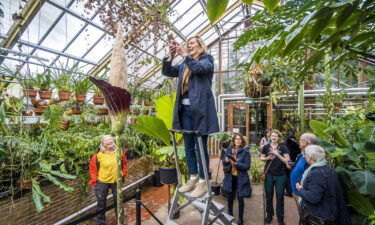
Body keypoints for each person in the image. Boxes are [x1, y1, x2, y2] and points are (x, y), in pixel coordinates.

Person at [162, 35, 219, 198]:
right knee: (188, 146)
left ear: (200, 45)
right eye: (187, 44)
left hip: (200, 111)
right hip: (185, 110)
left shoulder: (207, 59)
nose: (189, 45)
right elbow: (167, 71)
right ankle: (193, 178)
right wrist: (170, 57)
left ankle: (203, 181)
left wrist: (183, 55)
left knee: (200, 146)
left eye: (192, 43)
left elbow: (199, 69)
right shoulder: (183, 65)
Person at [296, 145, 351, 225]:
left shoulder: (316, 173)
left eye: (306, 155)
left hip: (319, 216)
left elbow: (313, 198)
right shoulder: (328, 168)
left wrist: (300, 189)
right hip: (329, 212)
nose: (305, 157)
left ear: (309, 157)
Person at [88, 135, 128, 225]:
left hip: (116, 182)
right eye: (106, 141)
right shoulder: (98, 155)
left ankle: (120, 221)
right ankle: (100, 222)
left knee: (119, 202)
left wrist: (123, 173)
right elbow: (91, 168)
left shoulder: (119, 152)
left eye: (110, 139)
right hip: (102, 182)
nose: (109, 141)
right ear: (103, 144)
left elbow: (124, 164)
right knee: (101, 203)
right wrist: (96, 179)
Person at [260, 129, 291, 225]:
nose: (273, 137)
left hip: (281, 175)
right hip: (269, 174)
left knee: (280, 196)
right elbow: (262, 158)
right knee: (269, 196)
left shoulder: (283, 148)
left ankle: (280, 218)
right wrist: (268, 158)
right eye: (272, 136)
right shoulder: (266, 147)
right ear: (270, 137)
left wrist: (277, 154)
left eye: (275, 136)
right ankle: (269, 215)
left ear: (279, 138)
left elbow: (287, 160)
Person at [222, 133, 251, 225]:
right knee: (230, 197)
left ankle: (240, 218)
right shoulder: (229, 150)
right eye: (236, 139)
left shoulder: (245, 152)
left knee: (240, 198)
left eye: (240, 139)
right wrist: (226, 160)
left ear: (242, 141)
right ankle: (229, 213)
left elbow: (247, 166)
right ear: (233, 140)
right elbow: (224, 162)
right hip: (230, 177)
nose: (238, 140)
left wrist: (237, 164)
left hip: (241, 178)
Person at [290, 133, 316, 205]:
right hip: (296, 190)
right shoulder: (302, 154)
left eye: (300, 140)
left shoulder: (311, 158)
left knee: (303, 213)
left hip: (302, 193)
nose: (299, 142)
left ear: (306, 142)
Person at [284, 130, 301, 197]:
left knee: (287, 177)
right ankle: (292, 191)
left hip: (288, 162)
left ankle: (289, 191)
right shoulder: (297, 143)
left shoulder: (286, 143)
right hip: (295, 162)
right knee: (293, 176)